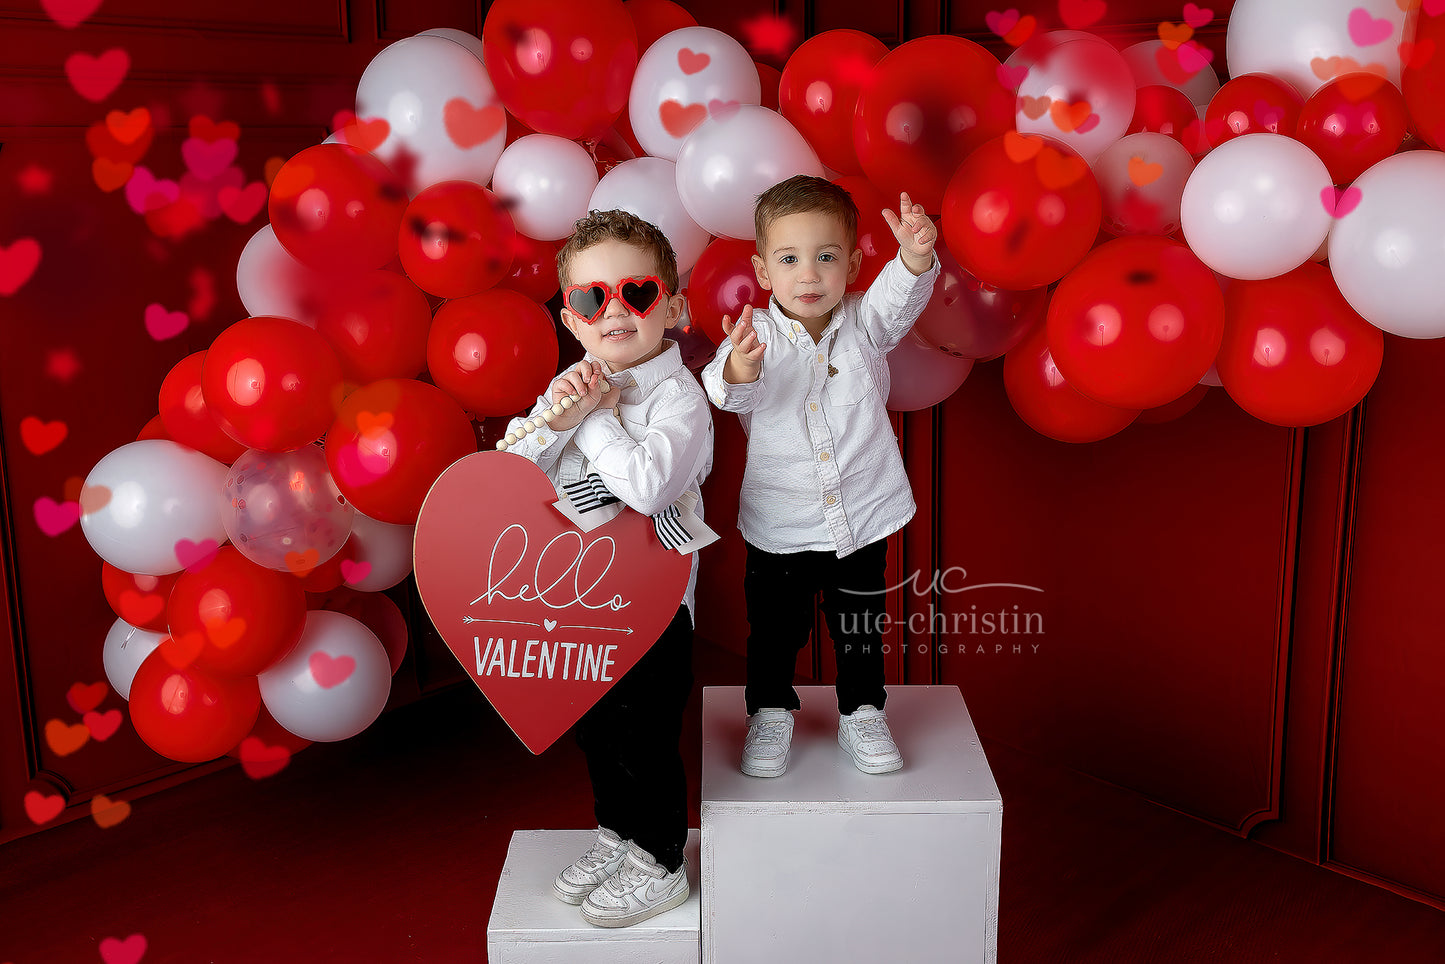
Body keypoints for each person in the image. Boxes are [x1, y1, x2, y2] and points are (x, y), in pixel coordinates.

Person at [502, 209, 713, 928]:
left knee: (643, 736)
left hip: (652, 608)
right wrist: (557, 421)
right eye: (593, 299)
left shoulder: (679, 399)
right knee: (594, 727)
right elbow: (507, 470)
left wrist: (592, 418)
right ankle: (617, 835)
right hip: (577, 601)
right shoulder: (571, 386)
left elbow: (648, 485)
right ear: (572, 318)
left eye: (638, 293)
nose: (614, 310)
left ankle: (660, 859)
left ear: (674, 307)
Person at [700, 174, 940, 779]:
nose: (808, 275)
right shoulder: (753, 339)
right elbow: (723, 394)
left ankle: (862, 710)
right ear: (762, 271)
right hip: (779, 522)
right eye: (790, 259)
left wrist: (914, 257)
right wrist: (737, 367)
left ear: (854, 264)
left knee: (858, 626)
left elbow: (896, 301)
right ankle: (772, 710)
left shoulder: (865, 325)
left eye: (826, 257)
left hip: (861, 513)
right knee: (775, 631)